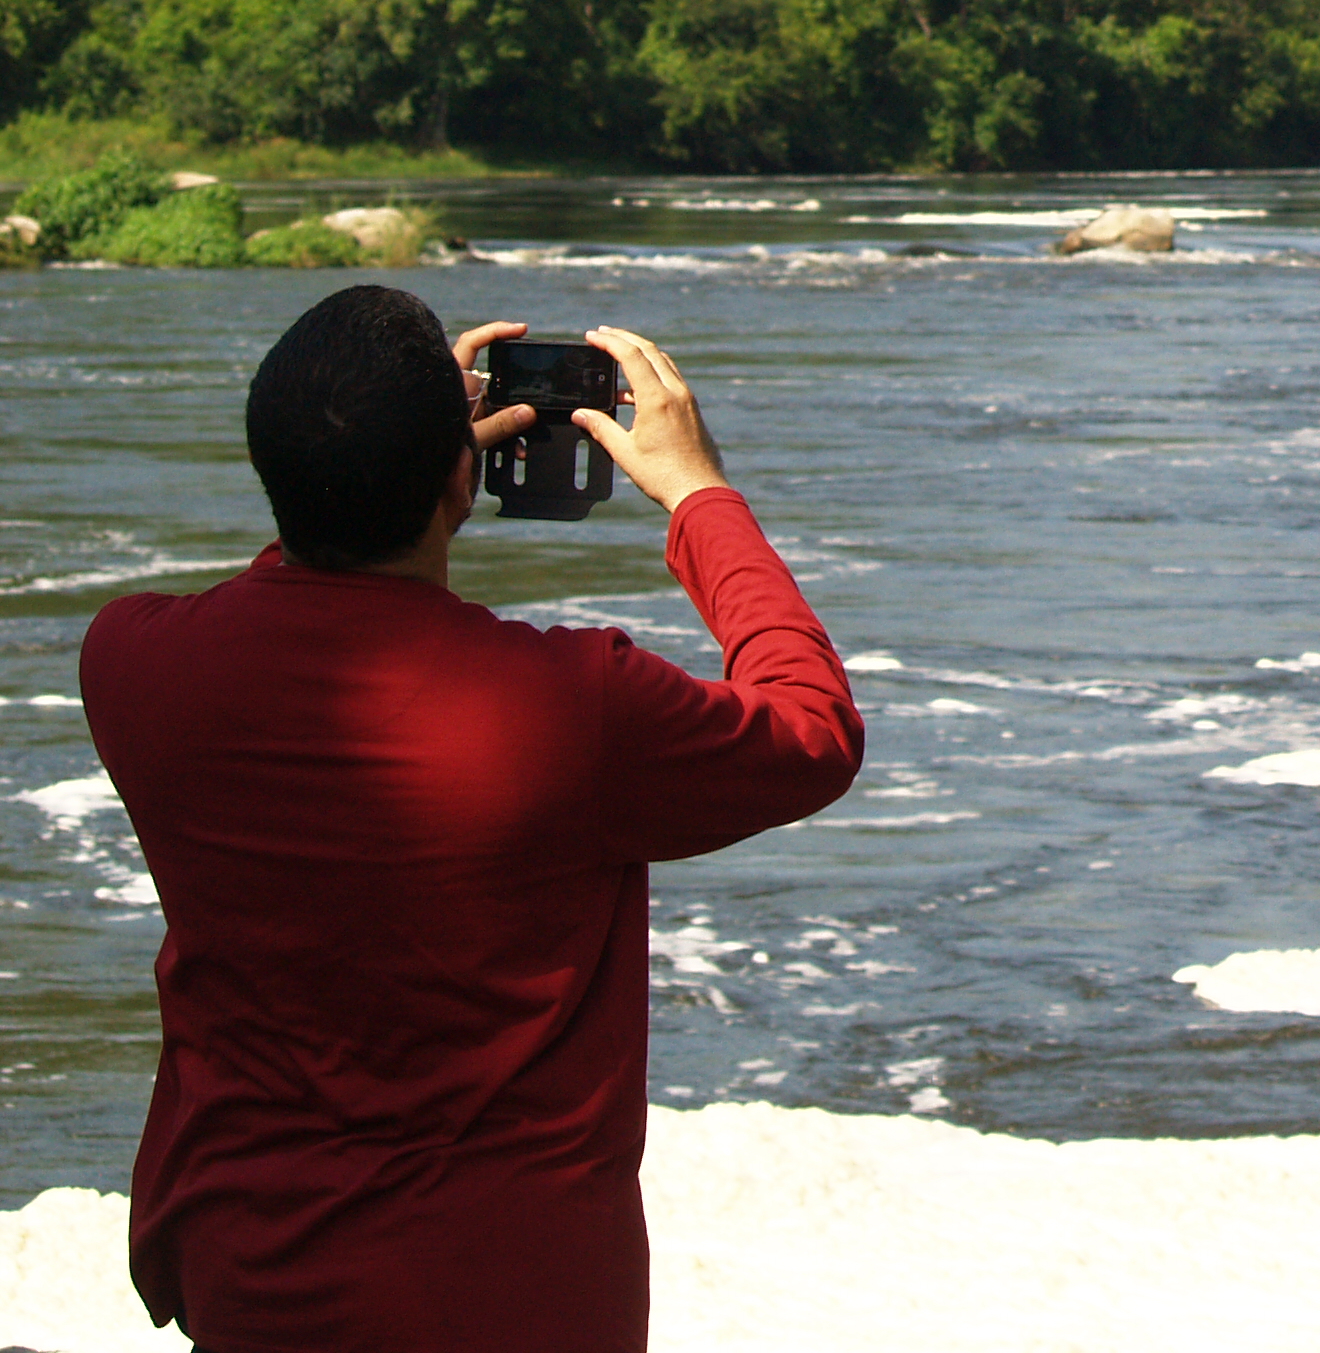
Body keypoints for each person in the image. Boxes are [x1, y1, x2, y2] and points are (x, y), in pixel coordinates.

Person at [78, 288, 866, 1352]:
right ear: (466, 471)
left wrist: (395, 445)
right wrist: (697, 494)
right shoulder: (574, 708)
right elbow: (812, 728)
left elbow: (295, 604)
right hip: (514, 1297)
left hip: (253, 1277)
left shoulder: (131, 665)